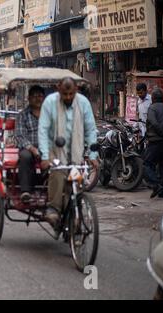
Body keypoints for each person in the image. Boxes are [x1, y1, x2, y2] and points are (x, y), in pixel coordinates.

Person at [38, 77, 98, 229]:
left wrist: (93, 156)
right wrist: (45, 156)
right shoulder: (50, 102)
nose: (68, 97)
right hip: (54, 149)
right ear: (59, 89)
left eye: (71, 94)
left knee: (76, 181)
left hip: (76, 150)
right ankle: (54, 208)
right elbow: (43, 130)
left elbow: (91, 130)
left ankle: (74, 210)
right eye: (65, 94)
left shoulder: (83, 103)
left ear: (76, 90)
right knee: (58, 173)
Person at [15, 86, 45, 202]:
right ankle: (26, 191)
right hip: (28, 147)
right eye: (35, 96)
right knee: (25, 156)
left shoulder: (49, 114)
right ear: (29, 98)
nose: (38, 99)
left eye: (40, 96)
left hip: (45, 147)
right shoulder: (23, 115)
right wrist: (33, 149)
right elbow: (20, 136)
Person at [144, 88, 163, 198]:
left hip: (155, 140)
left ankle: (156, 184)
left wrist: (162, 132)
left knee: (147, 164)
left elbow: (153, 122)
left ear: (153, 98)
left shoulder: (152, 108)